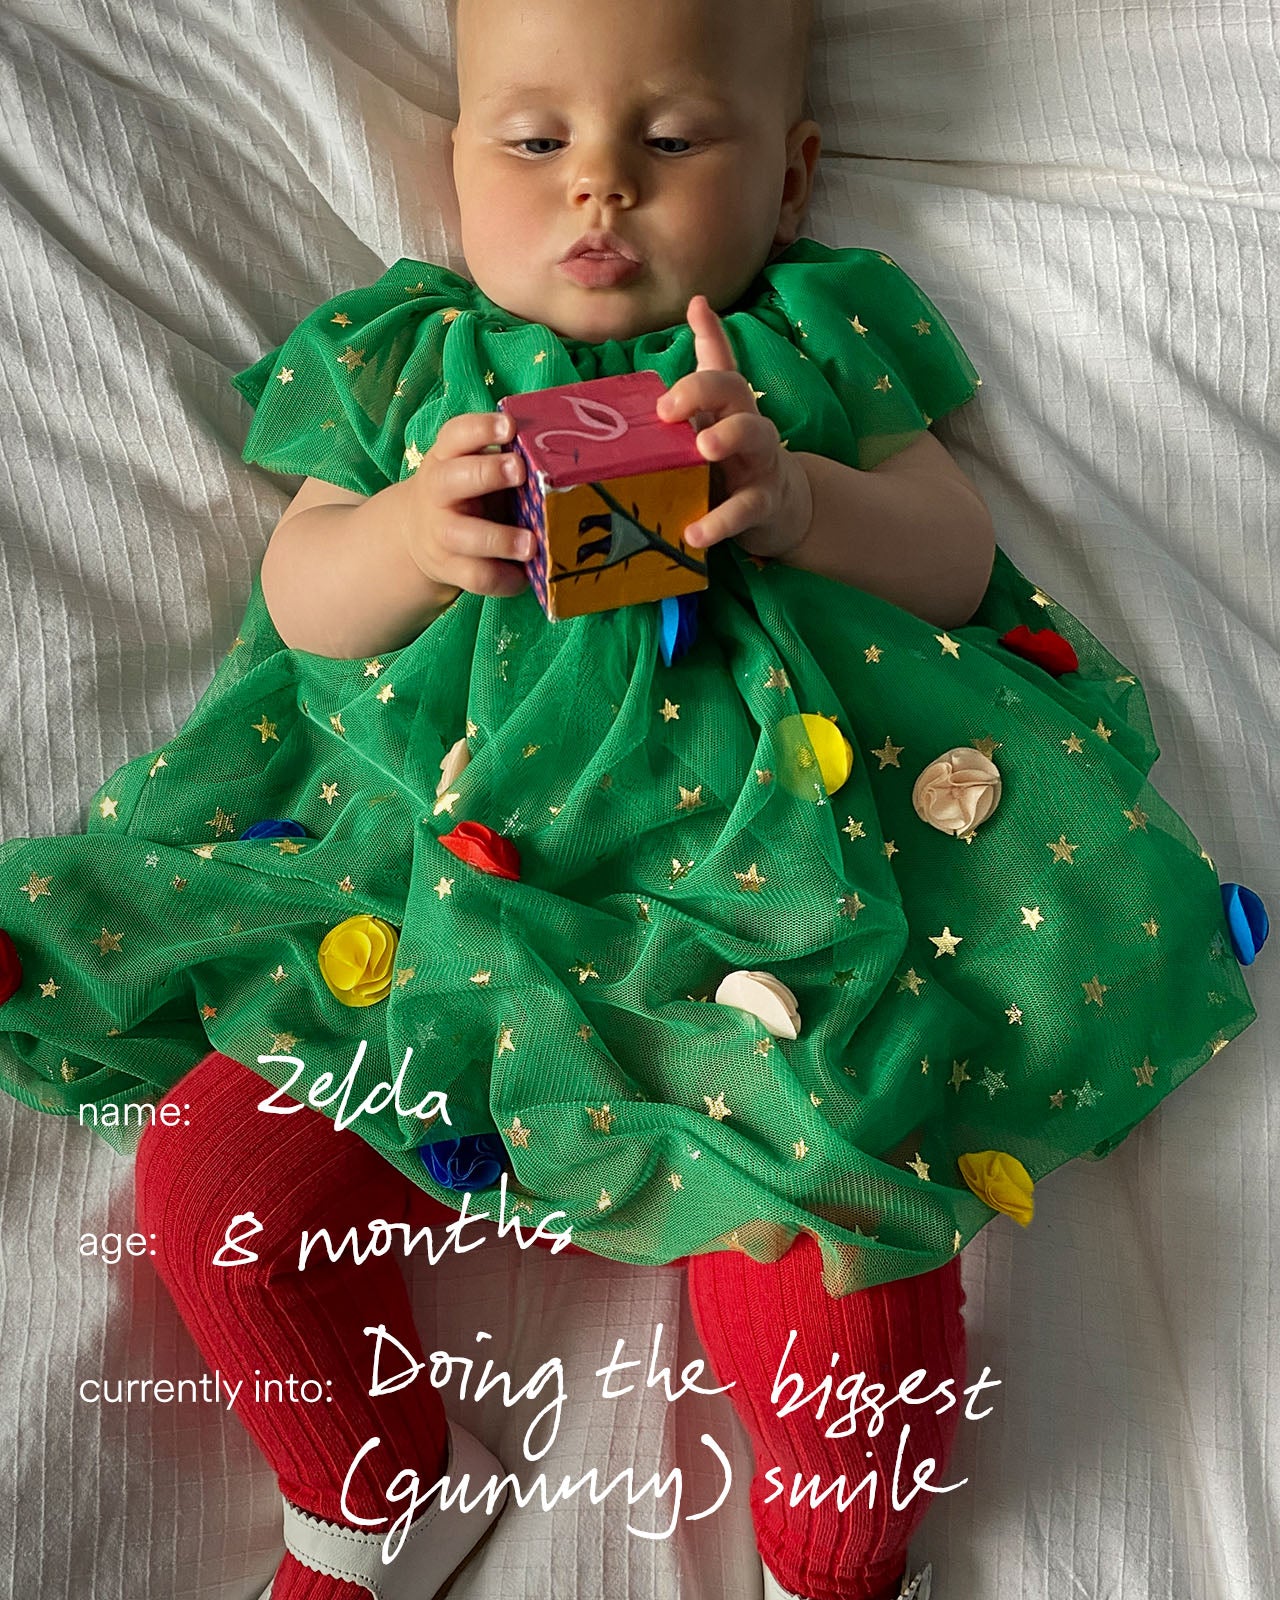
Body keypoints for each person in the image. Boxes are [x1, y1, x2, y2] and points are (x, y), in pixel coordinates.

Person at [0, 1, 1262, 1597]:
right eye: (535, 145)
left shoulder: (803, 341)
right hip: (423, 897)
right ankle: (373, 1478)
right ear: (456, 165)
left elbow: (950, 559)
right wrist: (406, 538)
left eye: (669, 143)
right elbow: (302, 594)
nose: (598, 192)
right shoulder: (410, 358)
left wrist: (801, 499)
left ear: (790, 180)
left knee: (847, 1282)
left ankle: (841, 1561)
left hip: (769, 919)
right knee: (215, 1184)